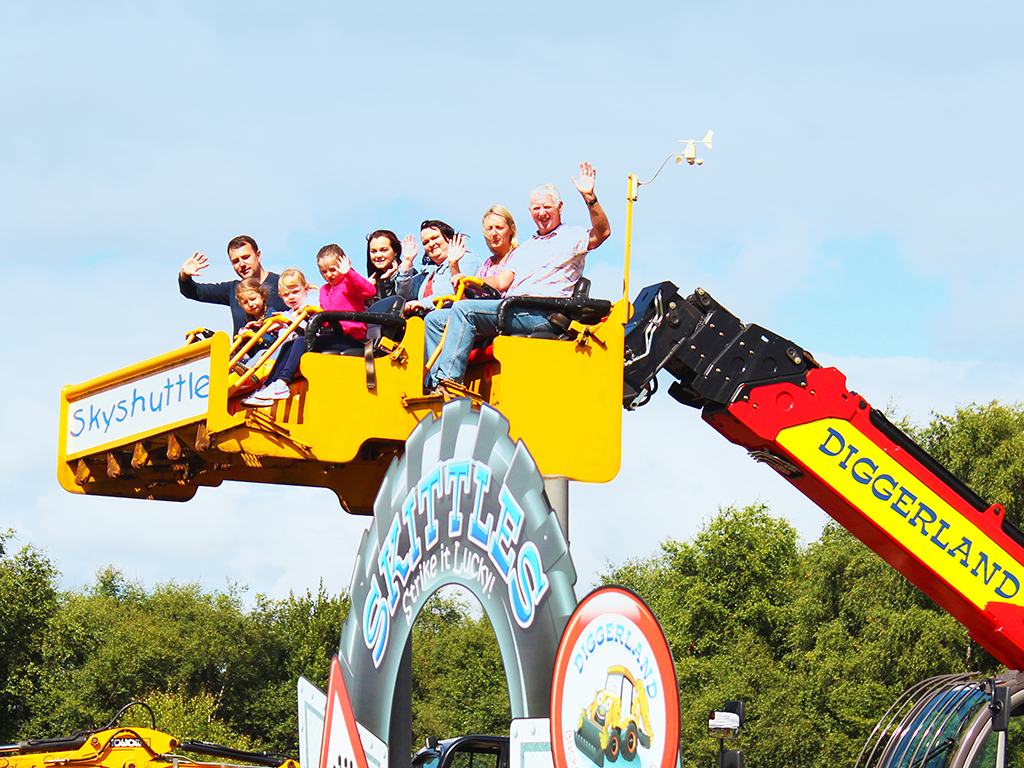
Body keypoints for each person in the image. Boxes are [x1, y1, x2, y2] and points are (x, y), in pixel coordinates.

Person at [423, 162, 610, 392]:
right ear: (530, 213)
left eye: (547, 207)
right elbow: (502, 281)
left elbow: (602, 233)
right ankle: (433, 387)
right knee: (435, 320)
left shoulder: (572, 237)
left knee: (465, 311)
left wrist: (590, 197)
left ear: (560, 207)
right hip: (512, 309)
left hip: (542, 311)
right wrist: (467, 279)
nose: (542, 213)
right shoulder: (525, 249)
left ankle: (449, 382)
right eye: (536, 208)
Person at [243, 268, 321, 406]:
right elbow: (284, 338)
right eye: (286, 294)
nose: (291, 297)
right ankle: (265, 387)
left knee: (292, 344)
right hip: (294, 348)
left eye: (295, 292)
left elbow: (310, 330)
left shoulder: (311, 303)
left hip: (315, 343)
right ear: (280, 295)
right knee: (281, 348)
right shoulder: (288, 313)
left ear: (306, 288)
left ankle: (277, 383)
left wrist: (288, 321)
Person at [179, 235, 287, 335]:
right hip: (243, 353)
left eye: (246, 257)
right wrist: (184, 275)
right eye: (236, 261)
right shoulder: (233, 289)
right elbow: (193, 291)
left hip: (278, 352)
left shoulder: (282, 283)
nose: (242, 264)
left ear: (258, 256)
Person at [397, 220, 483, 314]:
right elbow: (404, 294)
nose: (431, 244)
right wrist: (407, 261)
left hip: (454, 317)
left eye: (435, 238)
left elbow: (454, 290)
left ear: (448, 237)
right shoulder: (428, 272)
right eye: (426, 242)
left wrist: (423, 303)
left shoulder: (467, 259)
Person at [317, 244, 377, 349]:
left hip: (353, 337)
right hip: (333, 333)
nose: (329, 275)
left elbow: (369, 291)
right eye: (324, 271)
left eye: (333, 270)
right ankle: (281, 366)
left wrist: (349, 272)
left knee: (308, 343)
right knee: (292, 344)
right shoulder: (323, 290)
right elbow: (326, 320)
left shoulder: (349, 282)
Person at [450, 205, 519, 295]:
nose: (493, 233)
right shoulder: (488, 264)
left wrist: (470, 282)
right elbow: (464, 297)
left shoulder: (518, 255)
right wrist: (453, 265)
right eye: (489, 229)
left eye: (499, 228)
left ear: (511, 229)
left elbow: (499, 282)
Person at [365, 230, 402, 302]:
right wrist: (366, 290)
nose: (378, 255)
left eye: (383, 250)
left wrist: (385, 282)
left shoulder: (408, 276)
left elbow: (391, 306)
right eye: (374, 251)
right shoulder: (373, 279)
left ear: (395, 252)